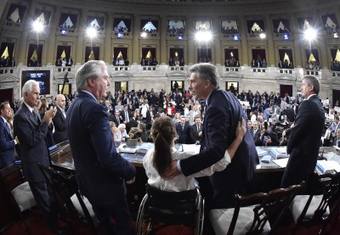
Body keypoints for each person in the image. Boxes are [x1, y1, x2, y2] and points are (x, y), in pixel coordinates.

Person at [164, 63, 258, 208]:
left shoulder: (215, 106)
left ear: (207, 83)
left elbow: (216, 151)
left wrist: (180, 166)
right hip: (243, 162)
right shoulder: (227, 96)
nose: (189, 86)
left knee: (222, 212)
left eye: (193, 81)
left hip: (231, 171)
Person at [66, 60, 136, 235]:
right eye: (105, 77)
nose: (109, 82)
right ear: (91, 81)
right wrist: (130, 170)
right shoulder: (94, 108)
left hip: (88, 184)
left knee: (105, 228)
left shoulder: (74, 105)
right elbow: (108, 158)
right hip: (106, 188)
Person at [144, 116, 246, 192]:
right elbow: (221, 163)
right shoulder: (184, 159)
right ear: (175, 133)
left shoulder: (147, 156)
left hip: (155, 206)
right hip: (181, 208)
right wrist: (239, 138)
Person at [13, 80, 58, 230]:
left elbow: (41, 134)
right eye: (35, 93)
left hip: (43, 160)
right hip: (34, 166)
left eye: (39, 93)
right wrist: (45, 121)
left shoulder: (33, 110)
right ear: (25, 94)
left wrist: (48, 121)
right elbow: (32, 141)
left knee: (50, 195)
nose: (39, 96)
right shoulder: (20, 116)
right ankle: (53, 229)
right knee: (44, 200)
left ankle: (56, 221)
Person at [281, 76, 325, 187]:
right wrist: (289, 130)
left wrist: (288, 148)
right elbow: (307, 126)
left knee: (286, 191)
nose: (301, 88)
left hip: (299, 158)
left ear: (311, 87)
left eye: (303, 85)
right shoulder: (319, 105)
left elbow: (298, 129)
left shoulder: (307, 104)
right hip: (310, 157)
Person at [0, 101, 16, 168]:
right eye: (7, 108)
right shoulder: (0, 124)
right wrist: (15, 141)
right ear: (2, 111)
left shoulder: (6, 122)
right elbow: (3, 145)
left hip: (11, 158)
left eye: (10, 108)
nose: (10, 110)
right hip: (5, 161)